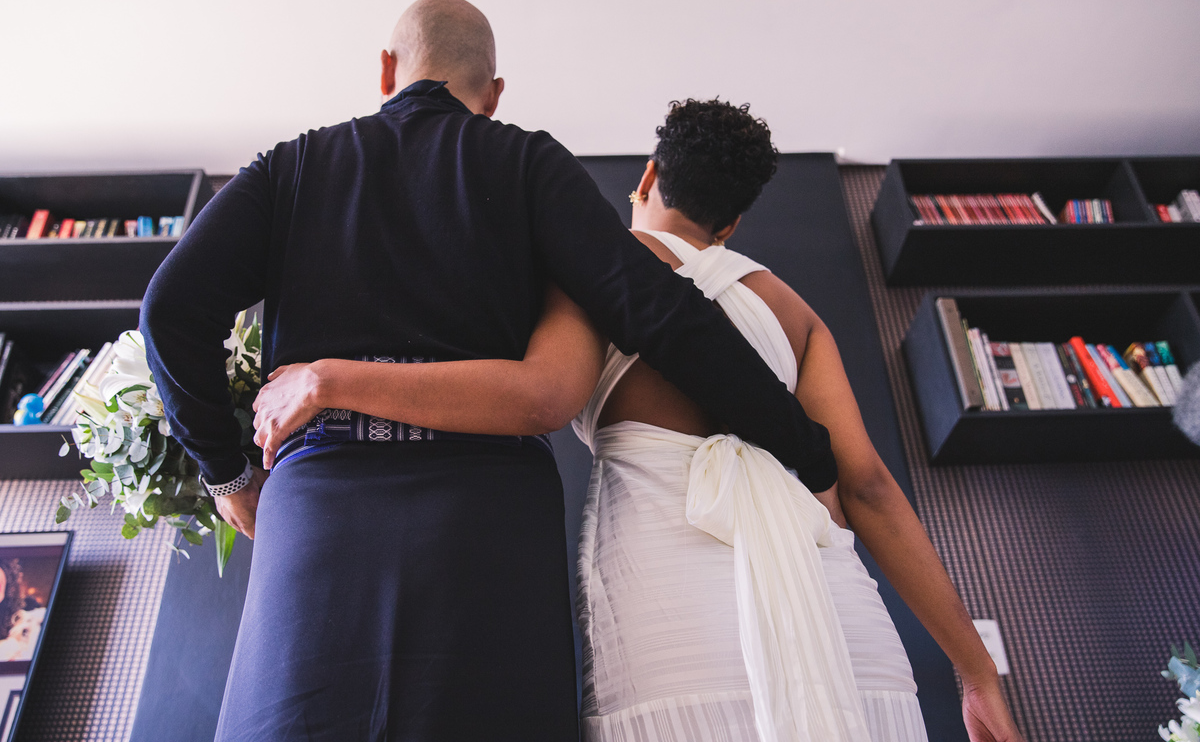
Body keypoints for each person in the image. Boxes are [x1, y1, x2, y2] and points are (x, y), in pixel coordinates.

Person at [141, 0, 838, 742]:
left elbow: (170, 310)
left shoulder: (294, 165)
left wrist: (228, 474)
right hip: (486, 519)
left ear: (386, 69)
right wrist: (807, 448)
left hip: (322, 509)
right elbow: (660, 312)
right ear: (495, 93)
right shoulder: (530, 163)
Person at [253, 100, 1026, 742]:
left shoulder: (590, 272)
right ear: (732, 223)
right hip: (840, 628)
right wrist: (975, 674)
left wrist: (330, 379)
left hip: (671, 620)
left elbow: (539, 395)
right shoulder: (797, 314)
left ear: (649, 176)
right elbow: (871, 490)